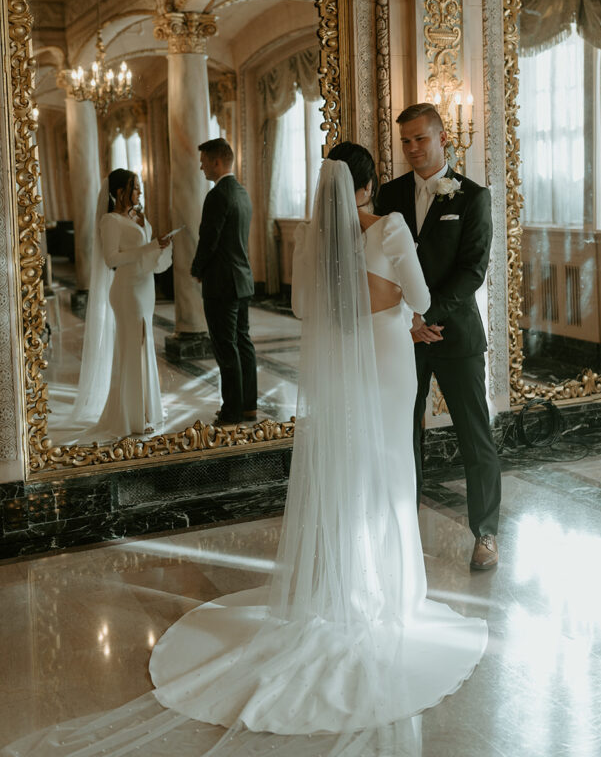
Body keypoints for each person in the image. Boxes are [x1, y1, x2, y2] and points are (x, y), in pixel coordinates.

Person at [7, 150, 487, 757]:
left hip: (341, 367)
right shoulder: (390, 227)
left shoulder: (312, 241)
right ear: (368, 185)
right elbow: (417, 298)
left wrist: (360, 296)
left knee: (345, 471)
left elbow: (308, 309)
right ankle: (388, 596)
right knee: (389, 471)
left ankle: (336, 589)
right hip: (389, 361)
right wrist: (396, 302)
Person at [375, 103, 502, 572]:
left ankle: (486, 533)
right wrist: (408, 318)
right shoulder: (388, 195)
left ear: (443, 137)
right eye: (405, 140)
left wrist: (427, 313)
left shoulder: (472, 196)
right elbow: (379, 263)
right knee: (402, 436)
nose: (411, 148)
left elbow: (472, 270)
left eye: (420, 139)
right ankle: (401, 530)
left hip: (455, 334)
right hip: (402, 336)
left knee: (475, 437)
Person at [74, 168, 173, 441]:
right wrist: (148, 247)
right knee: (132, 349)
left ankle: (146, 411)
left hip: (145, 288)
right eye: (136, 188)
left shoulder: (139, 216)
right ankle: (132, 418)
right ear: (120, 192)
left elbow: (146, 253)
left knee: (143, 348)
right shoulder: (110, 221)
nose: (140, 193)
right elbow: (112, 259)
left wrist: (159, 247)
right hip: (127, 290)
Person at [191, 138, 258, 424]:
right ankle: (247, 405)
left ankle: (232, 410)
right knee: (242, 343)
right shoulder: (242, 192)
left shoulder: (217, 195)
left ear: (217, 162)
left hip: (221, 283)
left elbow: (209, 239)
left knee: (225, 346)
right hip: (242, 280)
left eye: (204, 161)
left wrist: (197, 268)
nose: (201, 166)